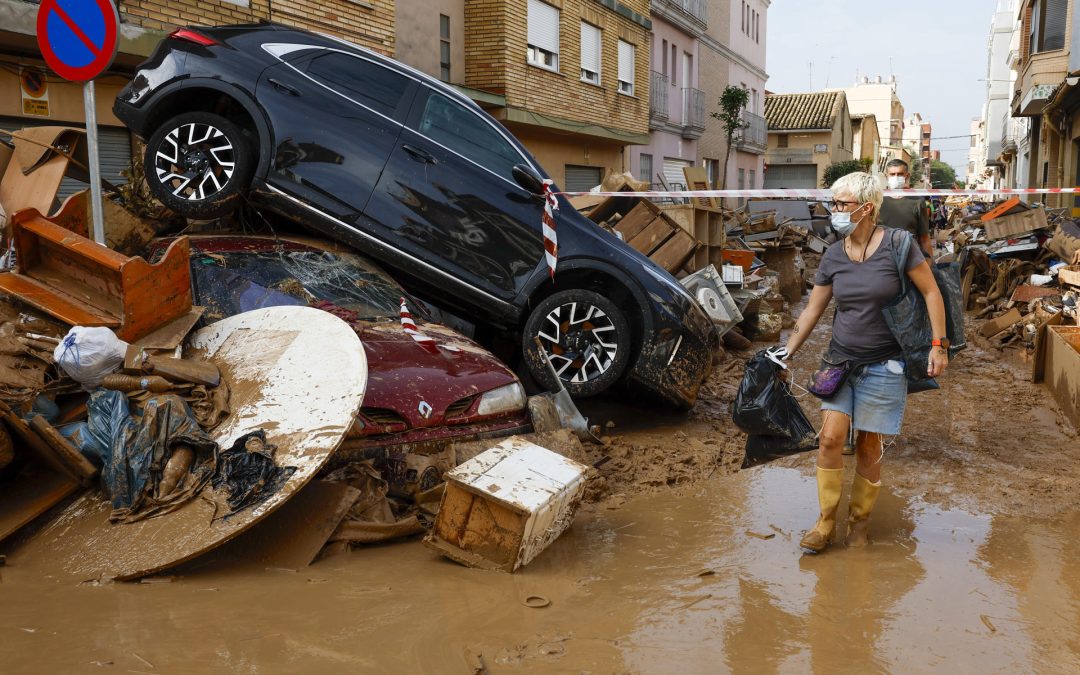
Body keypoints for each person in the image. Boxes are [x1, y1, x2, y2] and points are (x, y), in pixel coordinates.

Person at [769, 172, 949, 553]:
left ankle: (859, 525)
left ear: (866, 208)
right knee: (831, 438)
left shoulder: (899, 246)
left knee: (868, 447)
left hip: (886, 364)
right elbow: (813, 310)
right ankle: (825, 521)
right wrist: (785, 352)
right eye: (832, 204)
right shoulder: (833, 254)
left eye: (841, 204)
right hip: (839, 360)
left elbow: (932, 292)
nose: (834, 211)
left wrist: (939, 345)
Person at [879, 159, 933, 256]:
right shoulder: (877, 201)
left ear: (907, 176)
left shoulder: (917, 201)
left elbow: (924, 239)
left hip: (910, 258)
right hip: (882, 258)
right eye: (892, 174)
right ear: (886, 176)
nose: (896, 177)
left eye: (899, 174)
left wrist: (929, 265)